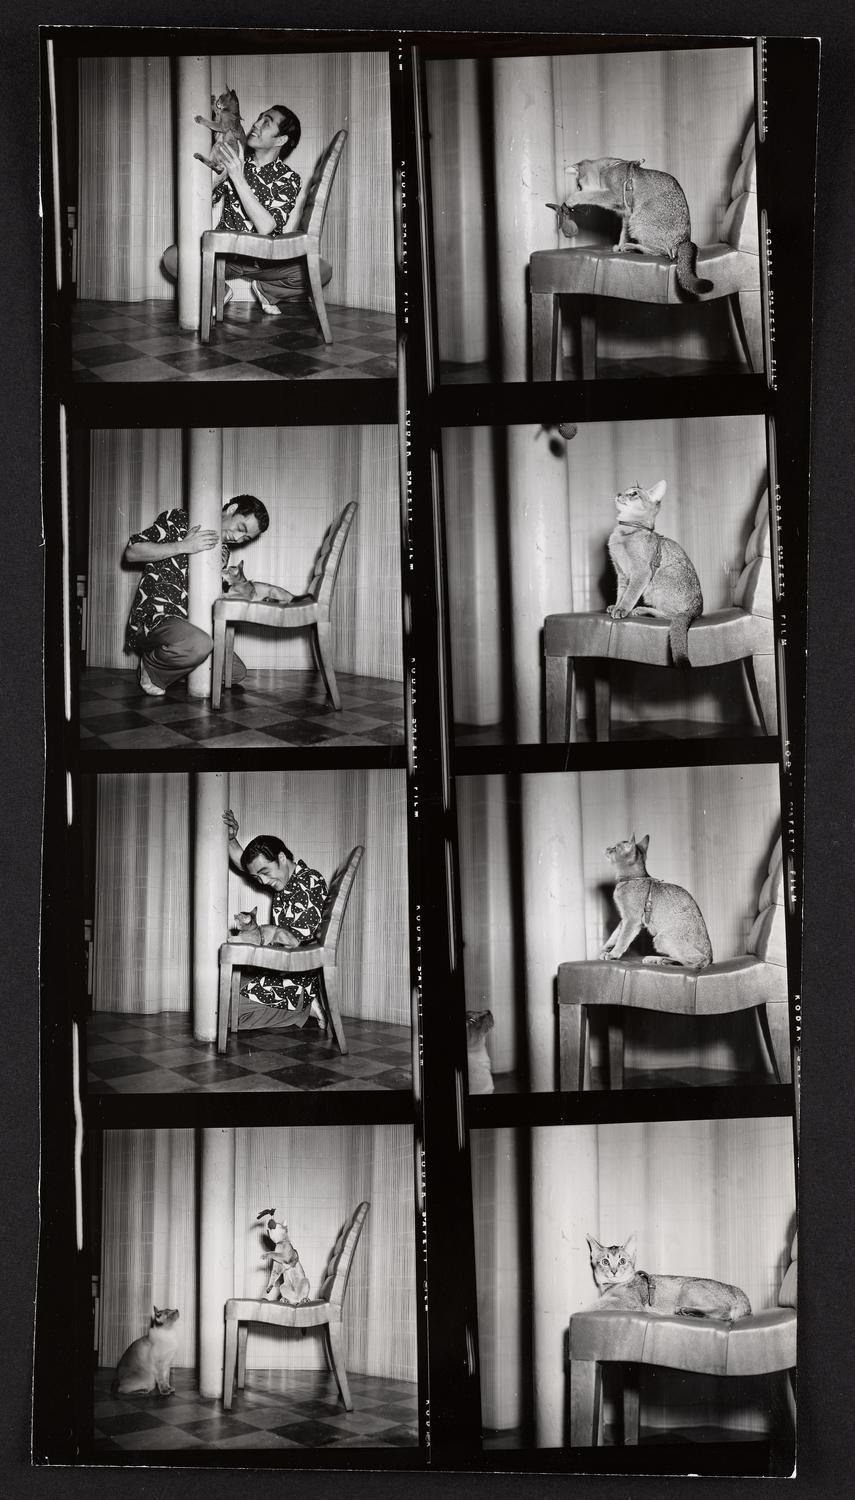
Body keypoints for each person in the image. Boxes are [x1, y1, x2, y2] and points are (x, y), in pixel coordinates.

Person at [162, 104, 333, 314]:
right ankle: (219, 290)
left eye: (266, 122)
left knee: (322, 270)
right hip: (226, 256)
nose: (256, 124)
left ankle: (268, 290)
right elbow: (203, 200)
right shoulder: (235, 161)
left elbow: (267, 227)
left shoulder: (289, 178)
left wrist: (237, 177)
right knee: (172, 257)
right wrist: (214, 170)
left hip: (266, 262)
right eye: (259, 118)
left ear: (280, 140)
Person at [125, 494, 292, 696]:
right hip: (155, 618)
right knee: (200, 646)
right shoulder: (179, 519)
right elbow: (132, 551)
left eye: (245, 538)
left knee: (236, 673)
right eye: (241, 529)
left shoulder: (223, 551)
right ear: (232, 510)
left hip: (189, 624)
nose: (238, 539)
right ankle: (152, 666)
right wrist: (183, 546)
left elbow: (211, 598)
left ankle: (175, 661)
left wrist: (220, 574)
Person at [224, 809, 328, 1029]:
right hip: (280, 977)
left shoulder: (307, 886)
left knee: (222, 1011)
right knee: (222, 992)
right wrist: (231, 840)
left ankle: (305, 1008)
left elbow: (297, 951)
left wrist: (258, 937)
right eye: (257, 877)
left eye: (265, 872)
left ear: (281, 857)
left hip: (293, 987)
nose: (262, 881)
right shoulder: (289, 883)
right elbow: (246, 865)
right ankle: (304, 1006)